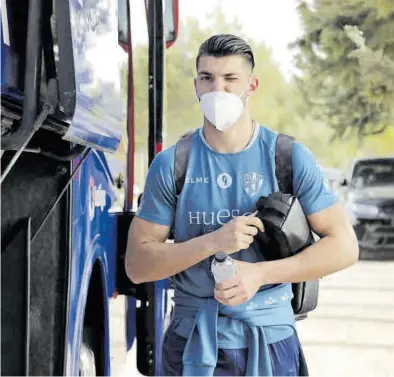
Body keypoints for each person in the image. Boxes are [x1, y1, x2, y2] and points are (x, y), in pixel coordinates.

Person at [125, 34, 359, 376]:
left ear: (252, 84)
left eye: (230, 79)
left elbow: (345, 246)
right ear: (195, 86)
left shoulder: (288, 157)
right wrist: (213, 242)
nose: (218, 90)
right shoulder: (173, 164)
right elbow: (137, 265)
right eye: (207, 78)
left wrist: (260, 274)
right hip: (193, 343)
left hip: (271, 341)